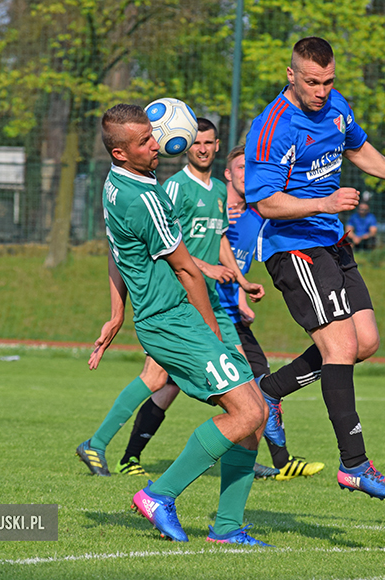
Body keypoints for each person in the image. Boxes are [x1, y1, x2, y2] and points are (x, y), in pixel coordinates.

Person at [244, 37, 385, 500]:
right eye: (312, 82)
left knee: (365, 342)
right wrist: (326, 202)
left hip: (332, 241)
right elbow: (266, 202)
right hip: (293, 247)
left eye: (328, 81)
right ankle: (354, 463)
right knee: (340, 346)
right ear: (291, 74)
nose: (321, 90)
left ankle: (269, 391)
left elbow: (358, 147)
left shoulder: (336, 106)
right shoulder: (272, 126)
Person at [82, 104, 270, 546]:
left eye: (153, 135)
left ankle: (227, 527)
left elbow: (115, 251)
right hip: (174, 321)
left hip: (167, 318)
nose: (157, 145)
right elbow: (187, 270)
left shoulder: (116, 184)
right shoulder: (145, 199)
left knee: (255, 416)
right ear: (120, 152)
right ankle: (158, 495)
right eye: (145, 141)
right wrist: (213, 332)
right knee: (247, 412)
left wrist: (117, 313)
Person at [115, 142, 325, 481]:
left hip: (221, 312)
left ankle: (272, 463)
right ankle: (122, 456)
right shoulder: (187, 196)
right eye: (241, 168)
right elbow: (175, 253)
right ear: (228, 173)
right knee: (165, 383)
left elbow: (228, 255)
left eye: (252, 169)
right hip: (184, 309)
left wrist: (241, 290)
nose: (247, 175)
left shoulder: (251, 214)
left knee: (253, 388)